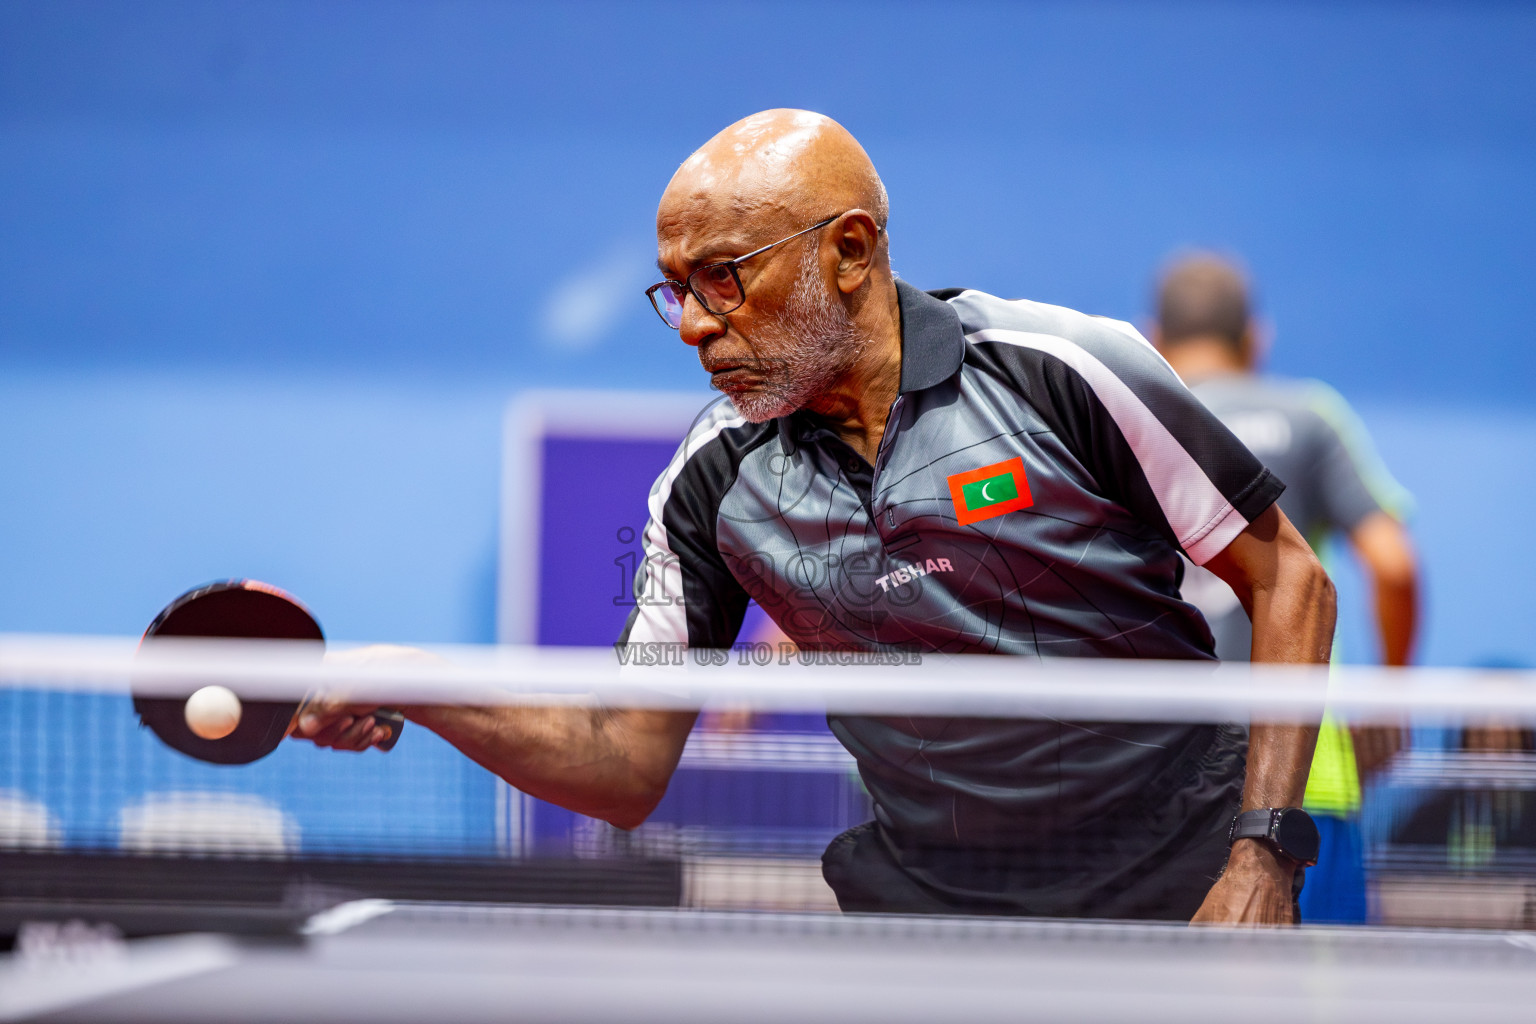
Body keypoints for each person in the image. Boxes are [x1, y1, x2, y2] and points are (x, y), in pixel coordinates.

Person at [296, 110, 1336, 924]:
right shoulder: (713, 481)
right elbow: (623, 759)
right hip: (935, 903)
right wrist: (417, 681)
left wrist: (1263, 852)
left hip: (1179, 872)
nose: (692, 324)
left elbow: (1291, 579)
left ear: (848, 250)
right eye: (675, 289)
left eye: (723, 278)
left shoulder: (1060, 370)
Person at [1151, 253, 1419, 923]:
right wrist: (1390, 698)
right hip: (1304, 781)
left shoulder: (1134, 414)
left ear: (1154, 338)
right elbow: (1393, 566)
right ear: (1254, 340)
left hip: (1164, 779)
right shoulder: (1311, 417)